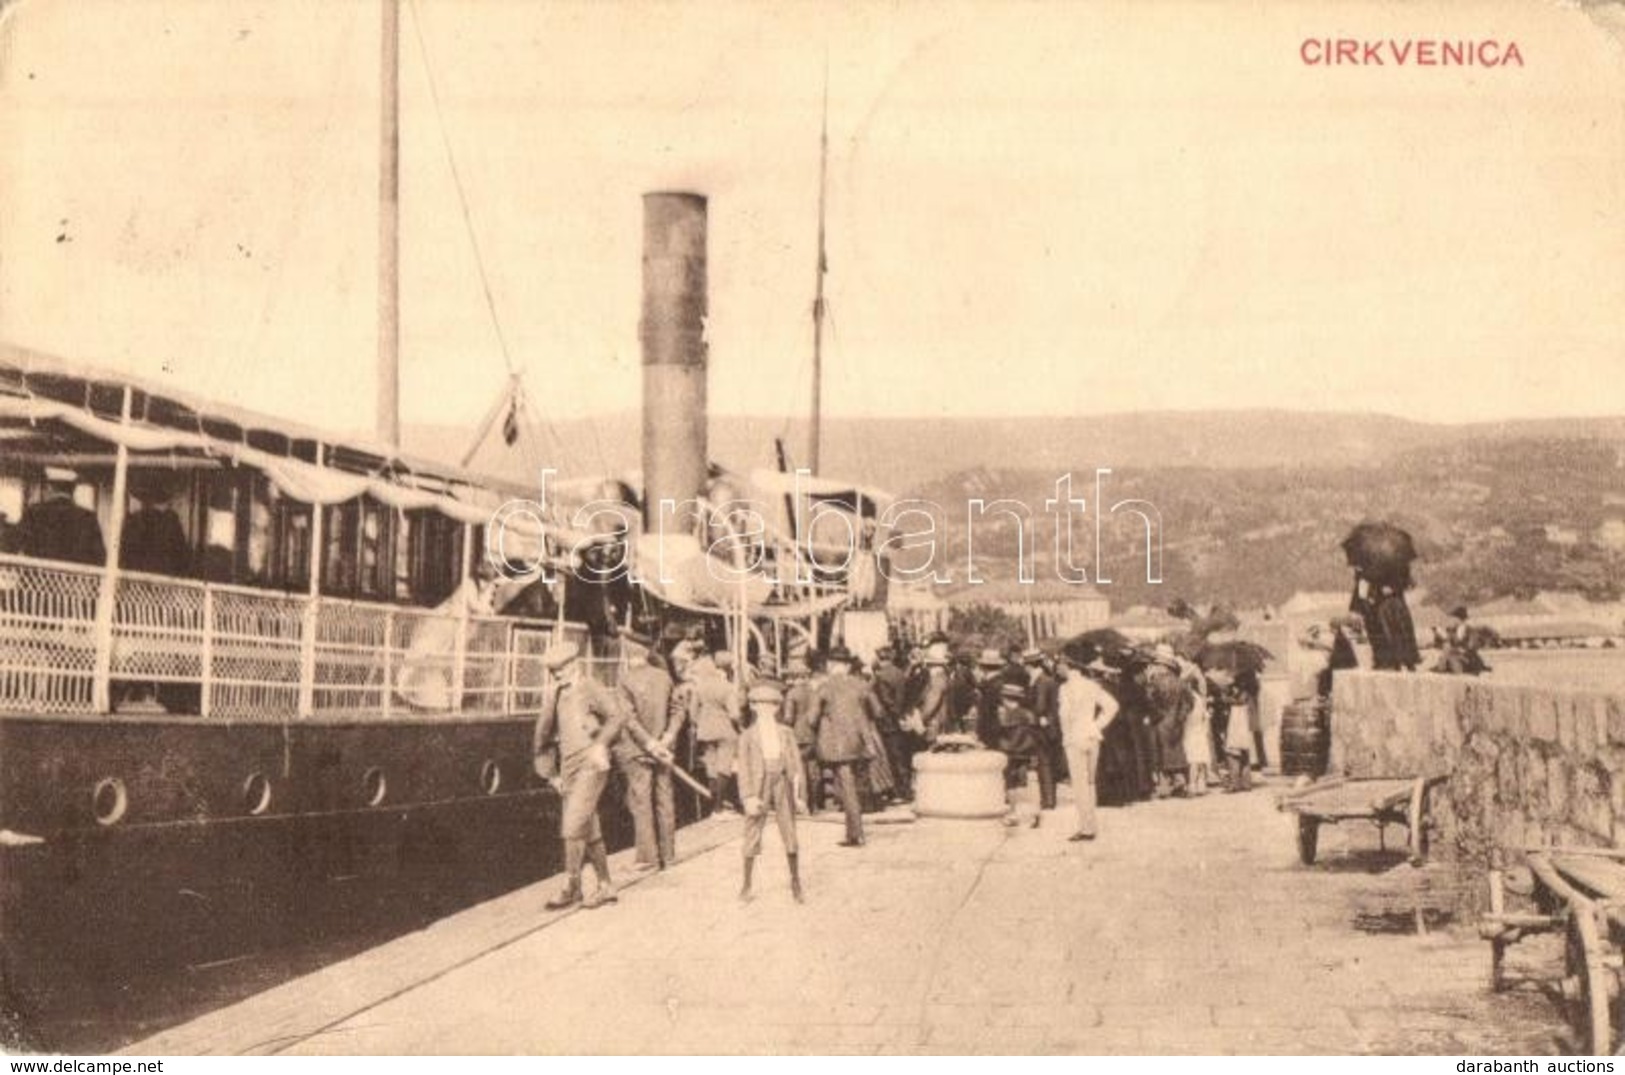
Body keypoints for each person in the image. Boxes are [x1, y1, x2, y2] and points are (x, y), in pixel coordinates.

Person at [532, 640, 671, 910]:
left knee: (573, 822)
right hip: (568, 768)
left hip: (592, 764)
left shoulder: (590, 687)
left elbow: (617, 717)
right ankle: (605, 885)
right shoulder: (559, 695)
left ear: (574, 665)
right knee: (587, 824)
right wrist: (550, 774)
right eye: (553, 671)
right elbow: (542, 735)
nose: (557, 675)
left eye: (560, 669)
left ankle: (572, 884)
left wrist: (600, 745)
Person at [615, 633, 679, 872]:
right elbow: (677, 709)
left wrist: (650, 744)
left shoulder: (625, 680)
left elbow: (628, 719)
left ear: (629, 654)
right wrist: (668, 737)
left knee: (641, 802)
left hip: (640, 751)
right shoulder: (664, 677)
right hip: (665, 748)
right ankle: (669, 854)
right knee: (665, 799)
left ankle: (647, 858)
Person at [738, 681, 805, 903]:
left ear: (777, 708)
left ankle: (795, 881)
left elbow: (796, 764)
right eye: (760, 705)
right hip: (759, 784)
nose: (766, 710)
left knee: (789, 831)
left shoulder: (786, 732)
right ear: (754, 707)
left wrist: (799, 795)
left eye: (771, 706)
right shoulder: (747, 736)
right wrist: (747, 796)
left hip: (782, 782)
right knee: (752, 830)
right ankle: (746, 884)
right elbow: (744, 769)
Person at [811, 646, 879, 848]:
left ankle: (856, 834)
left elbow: (811, 719)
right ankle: (853, 832)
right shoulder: (862, 685)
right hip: (859, 743)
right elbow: (878, 711)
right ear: (848, 666)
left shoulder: (824, 687)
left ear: (831, 665)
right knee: (851, 786)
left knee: (847, 788)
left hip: (836, 746)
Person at [1058, 656, 1120, 840]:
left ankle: (1086, 827)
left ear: (1067, 666)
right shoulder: (1092, 685)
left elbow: (1064, 715)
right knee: (1091, 782)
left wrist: (1066, 735)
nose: (1057, 669)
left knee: (1079, 784)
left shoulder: (1065, 688)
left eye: (1059, 665)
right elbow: (1112, 706)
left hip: (1075, 738)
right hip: (1092, 736)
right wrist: (1097, 725)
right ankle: (1091, 825)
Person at [672, 652, 742, 814]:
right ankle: (719, 807)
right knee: (724, 767)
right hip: (726, 730)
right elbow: (734, 714)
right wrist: (739, 727)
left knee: (711, 767)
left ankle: (713, 807)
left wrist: (699, 724)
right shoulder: (727, 687)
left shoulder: (700, 688)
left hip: (706, 731)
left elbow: (692, 712)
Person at [16, 467, 105, 566]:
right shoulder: (88, 517)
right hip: (75, 580)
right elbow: (100, 557)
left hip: (35, 577)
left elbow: (16, 544)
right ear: (73, 490)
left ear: (50, 487)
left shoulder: (33, 512)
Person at [995, 681, 1050, 828]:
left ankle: (1013, 814)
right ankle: (1035, 812)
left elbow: (1004, 735)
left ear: (1006, 699)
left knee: (1011, 784)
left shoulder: (1006, 715)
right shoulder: (1028, 714)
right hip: (1029, 751)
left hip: (1012, 753)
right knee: (1030, 782)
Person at [121, 477, 191, 577]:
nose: (148, 502)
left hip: (151, 579)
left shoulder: (169, 521)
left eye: (150, 498)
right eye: (146, 498)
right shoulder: (133, 521)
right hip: (146, 577)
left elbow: (181, 557)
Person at [783, 657, 822, 814]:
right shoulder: (814, 692)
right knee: (813, 770)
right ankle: (815, 804)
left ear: (793, 677)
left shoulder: (792, 694)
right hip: (813, 734)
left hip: (797, 736)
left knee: (799, 770)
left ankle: (802, 802)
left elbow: (788, 717)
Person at [1025, 648, 1063, 805]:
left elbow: (1040, 707)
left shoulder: (1040, 681)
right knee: (1048, 762)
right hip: (1052, 727)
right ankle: (1049, 797)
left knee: (1044, 763)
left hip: (1044, 728)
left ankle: (1048, 799)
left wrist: (1027, 712)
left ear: (1029, 665)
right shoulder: (1048, 679)